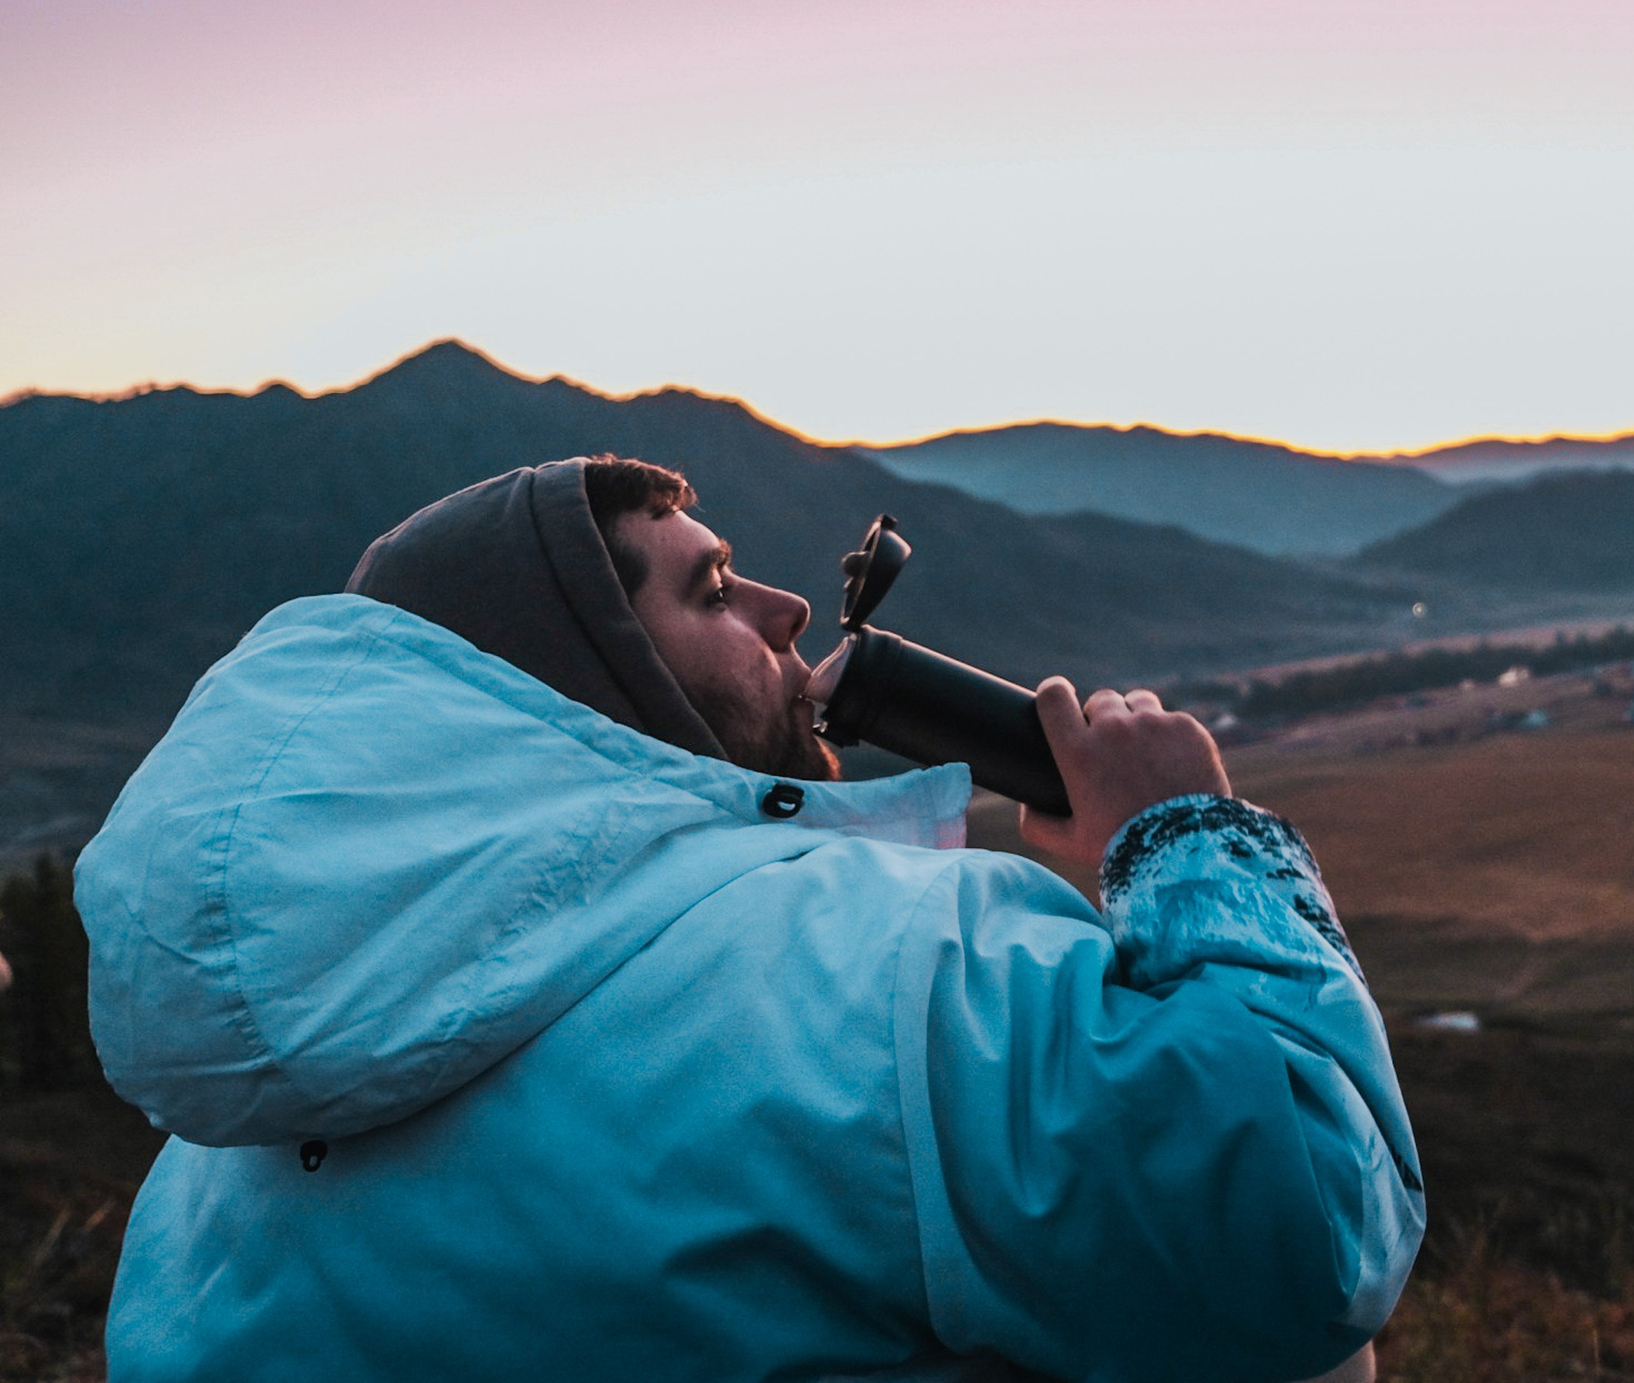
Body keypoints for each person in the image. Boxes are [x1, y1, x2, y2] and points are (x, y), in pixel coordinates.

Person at [77, 456, 1422, 1382]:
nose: (789, 609)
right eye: (713, 590)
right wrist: (1183, 837)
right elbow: (1304, 1207)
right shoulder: (888, 965)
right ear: (587, 678)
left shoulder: (199, 1166)